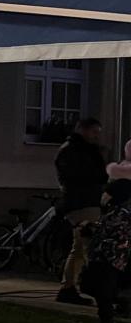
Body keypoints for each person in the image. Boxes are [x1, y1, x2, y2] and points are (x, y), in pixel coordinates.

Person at [55, 117, 106, 305]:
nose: (96, 136)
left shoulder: (81, 150)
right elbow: (79, 177)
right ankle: (98, 289)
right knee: (89, 247)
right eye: (94, 132)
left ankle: (68, 288)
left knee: (78, 248)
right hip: (82, 203)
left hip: (84, 202)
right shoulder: (73, 151)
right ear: (82, 129)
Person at [85, 140, 131, 323]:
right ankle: (116, 308)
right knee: (108, 283)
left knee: (102, 282)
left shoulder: (119, 206)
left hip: (111, 250)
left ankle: (108, 318)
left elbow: (110, 226)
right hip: (116, 250)